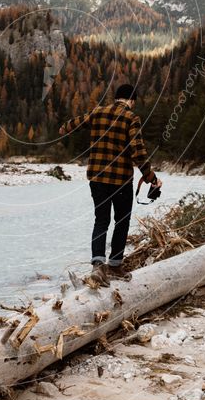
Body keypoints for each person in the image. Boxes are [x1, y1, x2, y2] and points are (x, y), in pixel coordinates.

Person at [59, 84, 162, 284]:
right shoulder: (131, 118)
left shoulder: (98, 113)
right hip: (121, 180)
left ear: (116, 97)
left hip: (97, 179)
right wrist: (151, 178)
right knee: (121, 222)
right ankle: (115, 266)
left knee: (101, 220)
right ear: (132, 100)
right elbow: (138, 152)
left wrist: (64, 128)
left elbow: (76, 123)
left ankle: (98, 266)